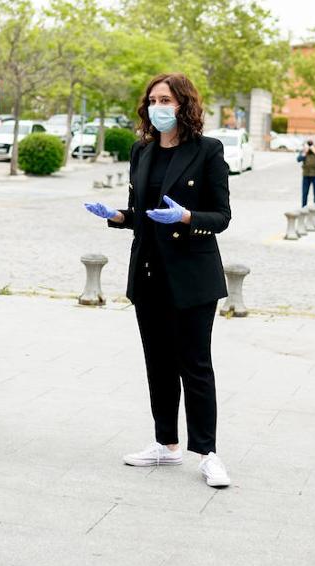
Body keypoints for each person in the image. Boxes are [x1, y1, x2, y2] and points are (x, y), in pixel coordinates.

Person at [83, 73, 234, 488]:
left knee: (195, 365)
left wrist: (186, 217)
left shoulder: (208, 151)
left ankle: (208, 453)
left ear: (184, 105)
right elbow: (141, 215)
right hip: (149, 274)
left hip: (192, 276)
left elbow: (221, 217)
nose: (157, 107)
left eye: (166, 99)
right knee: (158, 364)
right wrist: (116, 216)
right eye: (152, 100)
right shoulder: (141, 151)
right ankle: (165, 444)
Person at [298, 136, 315, 206]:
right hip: (306, 174)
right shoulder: (304, 150)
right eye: (309, 142)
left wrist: (314, 150)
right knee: (305, 193)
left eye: (311, 142)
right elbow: (299, 159)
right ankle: (303, 207)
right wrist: (305, 151)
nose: (310, 144)